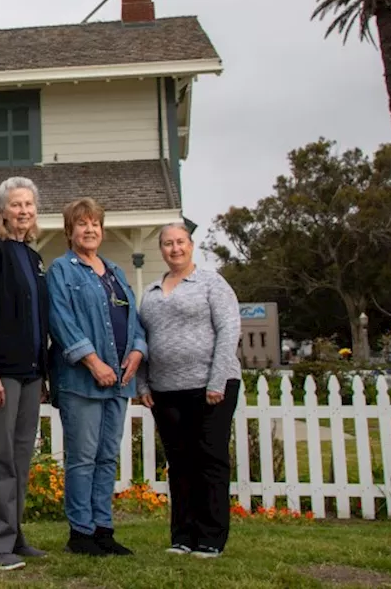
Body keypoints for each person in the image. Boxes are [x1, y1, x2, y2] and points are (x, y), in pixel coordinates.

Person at [46, 198, 146, 557]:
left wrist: (137, 351)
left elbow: (134, 320)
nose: (90, 230)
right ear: (69, 231)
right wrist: (92, 362)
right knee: (83, 458)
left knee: (107, 458)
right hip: (82, 383)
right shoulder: (62, 270)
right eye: (82, 224)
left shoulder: (117, 272)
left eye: (95, 224)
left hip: (120, 382)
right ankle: (81, 533)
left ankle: (104, 530)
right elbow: (60, 321)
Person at [136, 222, 242, 559]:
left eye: (180, 242)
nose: (174, 249)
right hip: (165, 391)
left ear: (191, 245)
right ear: (161, 250)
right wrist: (142, 382)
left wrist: (217, 380)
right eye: (167, 244)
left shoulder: (212, 283)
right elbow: (141, 340)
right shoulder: (151, 291)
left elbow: (229, 330)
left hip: (210, 388)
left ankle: (211, 537)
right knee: (179, 464)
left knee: (210, 460)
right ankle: (182, 536)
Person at [0, 176, 51, 571]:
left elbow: (38, 319)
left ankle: (14, 536)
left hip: (32, 373)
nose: (24, 211)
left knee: (19, 459)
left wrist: (44, 371)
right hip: (2, 373)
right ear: (2, 211)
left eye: (29, 205)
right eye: (16, 204)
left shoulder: (33, 258)